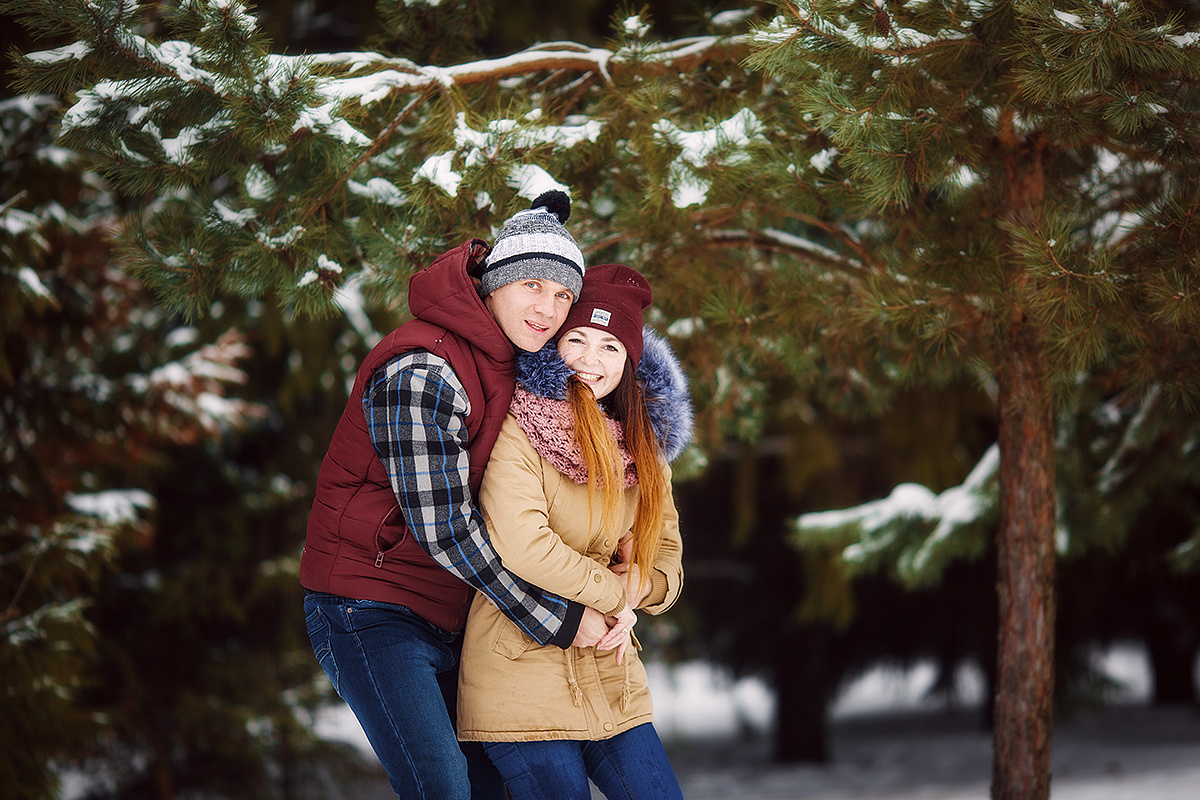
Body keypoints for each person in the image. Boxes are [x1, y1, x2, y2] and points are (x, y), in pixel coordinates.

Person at [300, 191, 620, 800]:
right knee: (442, 788)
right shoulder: (424, 369)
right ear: (492, 284)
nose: (548, 309)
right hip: (369, 604)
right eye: (532, 285)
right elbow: (443, 525)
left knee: (494, 783)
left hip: (452, 606)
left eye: (562, 295)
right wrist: (558, 617)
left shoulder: (512, 359)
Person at [457, 263, 693, 800]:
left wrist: (640, 589)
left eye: (610, 348)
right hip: (519, 670)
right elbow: (522, 543)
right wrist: (617, 594)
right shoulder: (517, 428)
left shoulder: (645, 448)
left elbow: (667, 562)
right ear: (552, 346)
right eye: (577, 339)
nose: (590, 360)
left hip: (612, 675)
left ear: (630, 363)